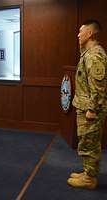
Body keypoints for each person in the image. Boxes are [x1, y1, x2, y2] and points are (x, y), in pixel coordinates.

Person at [67, 19, 107, 189]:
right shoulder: (88, 53)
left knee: (89, 144)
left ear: (89, 33)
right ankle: (87, 172)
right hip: (85, 107)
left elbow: (98, 87)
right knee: (86, 141)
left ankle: (89, 179)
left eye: (80, 31)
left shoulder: (95, 55)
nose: (78, 34)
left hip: (90, 110)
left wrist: (92, 109)